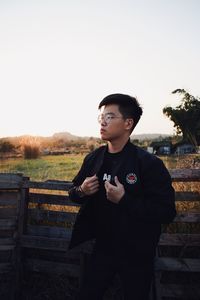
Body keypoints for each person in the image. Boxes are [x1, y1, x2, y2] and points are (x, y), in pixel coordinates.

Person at [68, 93, 176, 300]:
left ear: (128, 123)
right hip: (102, 248)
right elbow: (73, 193)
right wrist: (82, 190)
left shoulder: (148, 163)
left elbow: (166, 212)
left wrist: (125, 200)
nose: (102, 121)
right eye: (101, 117)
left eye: (109, 116)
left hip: (137, 252)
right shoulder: (94, 158)